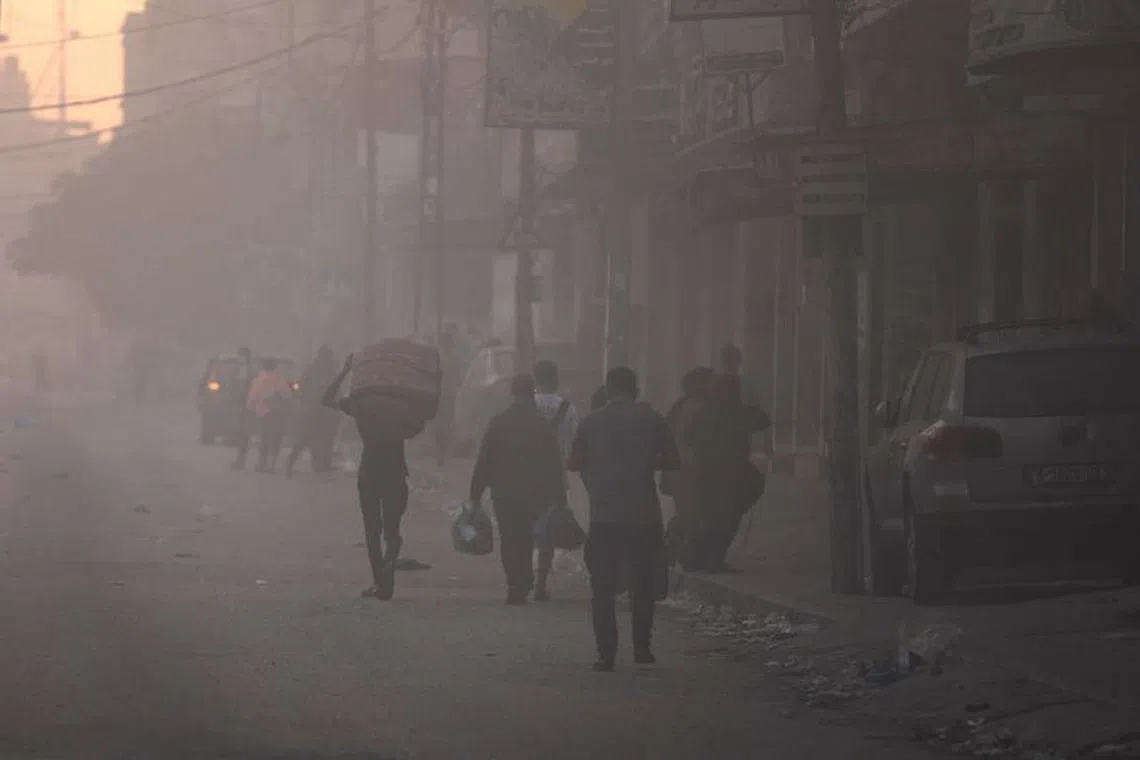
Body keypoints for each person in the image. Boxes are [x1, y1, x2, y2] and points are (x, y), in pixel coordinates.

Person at [568, 366, 680, 672]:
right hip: (644, 514)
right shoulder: (653, 419)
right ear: (636, 389)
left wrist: (597, 473)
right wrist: (645, 463)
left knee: (603, 587)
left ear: (607, 389)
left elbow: (574, 462)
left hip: (605, 516)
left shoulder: (590, 422)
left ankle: (606, 654)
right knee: (642, 583)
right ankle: (642, 647)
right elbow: (673, 459)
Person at [470, 373, 568, 605]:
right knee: (526, 535)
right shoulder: (541, 425)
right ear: (532, 393)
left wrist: (475, 493)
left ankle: (516, 582)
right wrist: (560, 495)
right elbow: (554, 463)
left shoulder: (499, 422)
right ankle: (524, 579)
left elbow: (485, 459)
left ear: (512, 393)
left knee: (509, 537)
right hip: (535, 491)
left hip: (504, 491)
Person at [323, 354, 410, 601]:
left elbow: (326, 399)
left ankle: (380, 581)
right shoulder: (401, 407)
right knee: (392, 528)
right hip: (396, 470)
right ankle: (391, 557)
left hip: (370, 471)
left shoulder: (361, 404)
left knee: (372, 529)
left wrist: (344, 371)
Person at [531, 359, 580, 601]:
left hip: (524, 475)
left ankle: (522, 576)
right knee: (547, 530)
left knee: (524, 527)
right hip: (554, 478)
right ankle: (540, 582)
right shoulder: (567, 409)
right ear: (555, 379)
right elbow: (573, 447)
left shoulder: (527, 405)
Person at [663, 367, 715, 571]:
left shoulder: (680, 405)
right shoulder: (699, 407)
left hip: (679, 469)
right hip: (690, 469)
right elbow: (696, 439)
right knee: (693, 514)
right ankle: (684, 556)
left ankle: (674, 552)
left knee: (687, 513)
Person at [285, 345, 342, 478]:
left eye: (328, 358)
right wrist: (305, 406)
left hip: (327, 411)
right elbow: (302, 390)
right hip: (311, 410)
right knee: (305, 438)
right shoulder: (311, 372)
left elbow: (337, 391)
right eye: (324, 358)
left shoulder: (333, 373)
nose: (325, 362)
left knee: (327, 439)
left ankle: (323, 468)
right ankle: (290, 462)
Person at [245, 358, 291, 473]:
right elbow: (288, 395)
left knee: (264, 438)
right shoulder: (280, 380)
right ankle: (271, 465)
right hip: (278, 413)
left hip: (263, 413)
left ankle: (261, 464)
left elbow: (252, 397)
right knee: (276, 438)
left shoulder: (258, 380)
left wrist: (250, 408)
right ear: (275, 367)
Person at [230, 347, 258, 470]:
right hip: (241, 405)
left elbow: (245, 389)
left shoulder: (249, 370)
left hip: (247, 405)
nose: (240, 358)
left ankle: (241, 461)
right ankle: (240, 460)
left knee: (243, 433)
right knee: (241, 433)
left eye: (241, 355)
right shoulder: (240, 369)